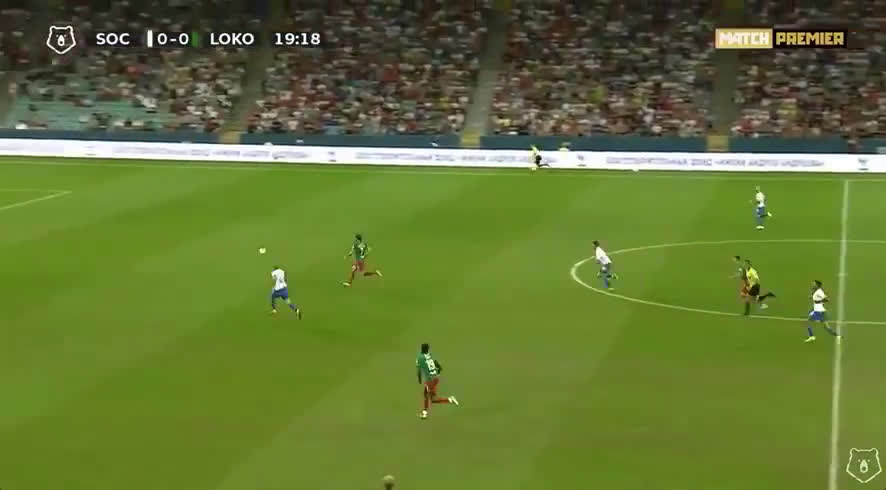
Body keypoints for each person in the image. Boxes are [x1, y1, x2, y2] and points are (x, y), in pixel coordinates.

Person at [416, 343, 459, 419]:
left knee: (433, 400)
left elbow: (419, 371)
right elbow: (435, 362)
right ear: (428, 349)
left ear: (421, 349)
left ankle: (450, 399)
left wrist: (419, 379)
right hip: (435, 378)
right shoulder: (429, 354)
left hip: (430, 380)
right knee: (425, 394)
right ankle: (424, 413)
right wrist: (439, 368)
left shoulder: (419, 358)